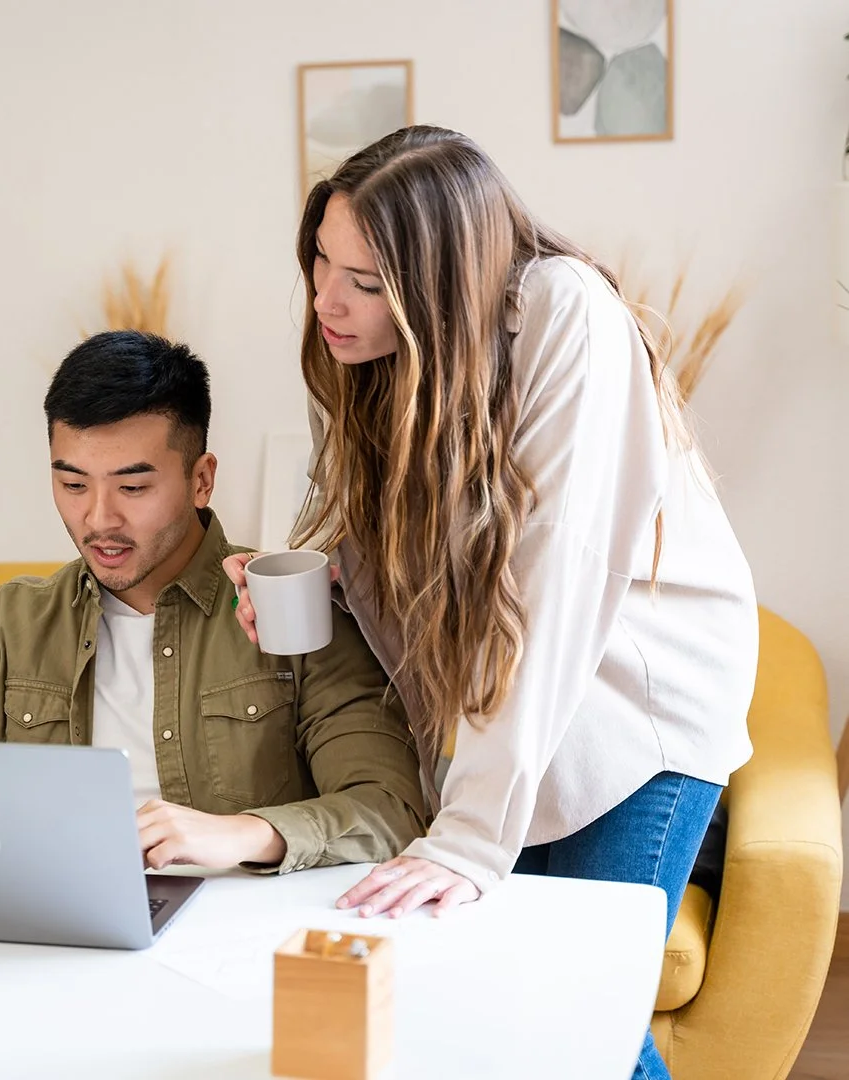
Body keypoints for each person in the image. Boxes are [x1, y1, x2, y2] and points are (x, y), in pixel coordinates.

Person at [224, 126, 757, 1080]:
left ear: (439, 281)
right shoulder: (380, 356)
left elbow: (555, 582)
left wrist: (467, 839)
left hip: (637, 712)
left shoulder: (566, 315)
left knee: (579, 1009)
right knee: (511, 1006)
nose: (327, 301)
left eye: (368, 281)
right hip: (518, 703)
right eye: (321, 263)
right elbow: (409, 547)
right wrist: (322, 584)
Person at [0, 329, 426, 874]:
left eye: (132, 488)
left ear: (201, 480)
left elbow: (389, 809)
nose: (99, 518)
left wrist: (240, 833)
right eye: (73, 484)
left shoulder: (288, 610)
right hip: (51, 926)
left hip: (232, 937)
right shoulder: (11, 624)